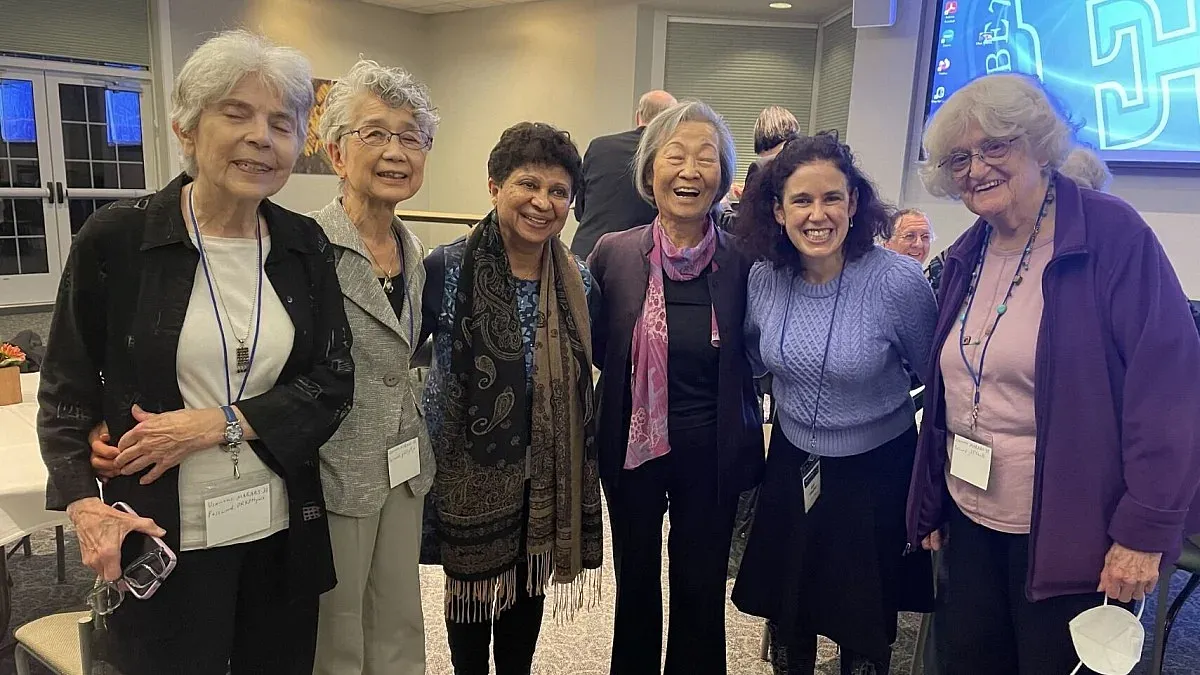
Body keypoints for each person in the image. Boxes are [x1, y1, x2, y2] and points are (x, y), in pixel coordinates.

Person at [39, 30, 354, 675]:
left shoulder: (304, 246)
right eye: (235, 114)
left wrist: (220, 422)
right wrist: (82, 502)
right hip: (160, 535)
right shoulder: (118, 241)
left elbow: (333, 379)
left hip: (280, 532)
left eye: (281, 123)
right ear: (187, 128)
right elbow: (66, 390)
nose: (260, 137)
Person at [907, 73, 1200, 674]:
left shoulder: (1112, 237)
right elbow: (954, 391)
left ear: (1038, 143)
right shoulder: (969, 251)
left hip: (1076, 535)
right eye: (959, 157)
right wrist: (931, 501)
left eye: (996, 146)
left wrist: (1145, 532)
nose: (976, 168)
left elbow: (1169, 395)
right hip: (972, 520)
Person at [731, 132, 936, 675]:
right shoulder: (764, 279)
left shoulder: (899, 282)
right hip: (793, 463)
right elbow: (754, 359)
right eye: (801, 200)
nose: (817, 214)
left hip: (877, 472)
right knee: (789, 612)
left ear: (854, 203)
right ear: (777, 211)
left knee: (863, 625)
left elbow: (940, 383)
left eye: (832, 198)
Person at [419, 122, 602, 675]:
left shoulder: (580, 281)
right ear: (495, 186)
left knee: (529, 584)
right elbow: (400, 354)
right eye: (528, 185)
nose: (542, 203)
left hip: (547, 465)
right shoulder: (446, 268)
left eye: (558, 192)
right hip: (469, 466)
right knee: (472, 598)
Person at [589, 100, 765, 675]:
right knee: (635, 579)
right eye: (675, 155)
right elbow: (598, 345)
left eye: (706, 158)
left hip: (712, 451)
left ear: (722, 176)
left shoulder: (745, 261)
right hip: (632, 446)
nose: (690, 171)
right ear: (650, 170)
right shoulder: (613, 254)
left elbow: (759, 351)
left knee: (701, 582)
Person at [306, 59, 439, 675]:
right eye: (376, 133)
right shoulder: (305, 249)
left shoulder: (415, 249)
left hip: (404, 459)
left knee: (399, 611)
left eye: (410, 136)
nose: (395, 151)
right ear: (337, 153)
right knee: (337, 624)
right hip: (336, 463)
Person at [569, 89, 676, 258]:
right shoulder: (670, 157)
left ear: (637, 116)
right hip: (635, 262)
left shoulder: (599, 147)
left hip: (584, 256)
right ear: (672, 122)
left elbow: (580, 211)